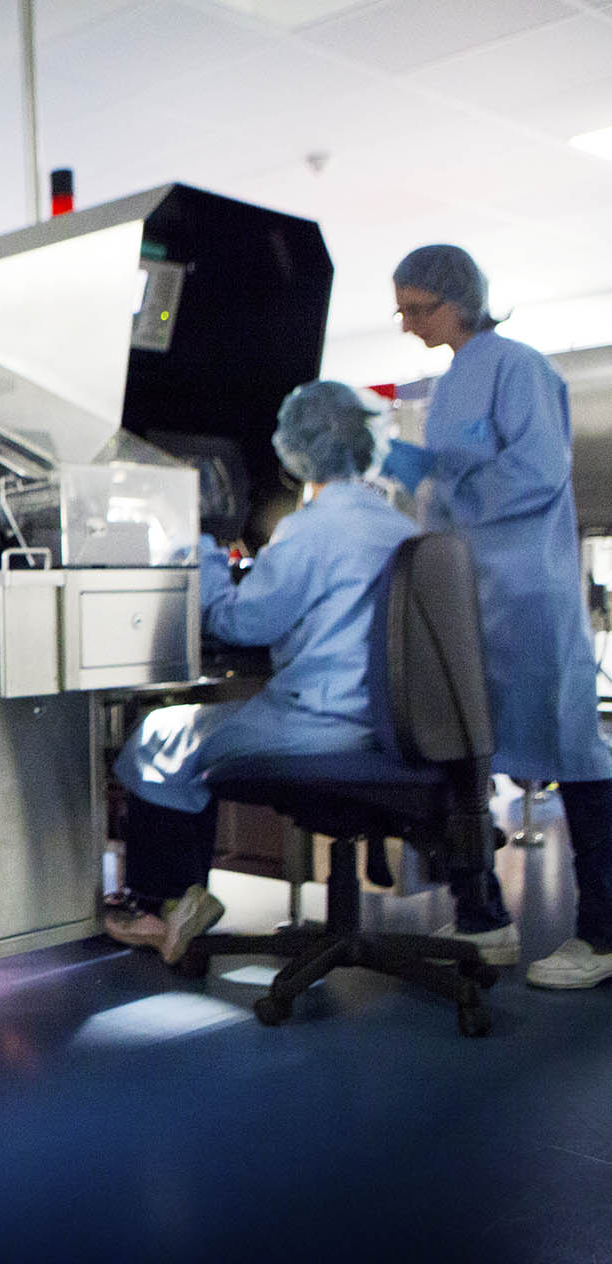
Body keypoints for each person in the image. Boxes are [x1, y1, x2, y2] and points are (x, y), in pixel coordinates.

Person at [105, 380, 419, 963]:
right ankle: (184, 900)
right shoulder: (400, 526)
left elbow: (242, 622)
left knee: (158, 734)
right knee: (190, 734)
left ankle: (160, 908)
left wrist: (198, 548)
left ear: (297, 450)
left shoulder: (312, 528)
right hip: (387, 728)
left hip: (318, 726)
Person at [388, 244, 612, 989]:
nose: (408, 324)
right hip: (470, 598)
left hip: (528, 598)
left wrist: (448, 480)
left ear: (460, 301)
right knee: (464, 748)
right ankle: (481, 917)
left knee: (573, 755)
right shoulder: (449, 383)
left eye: (418, 308)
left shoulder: (519, 368)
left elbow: (538, 471)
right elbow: (446, 494)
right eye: (400, 311)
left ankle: (603, 933)